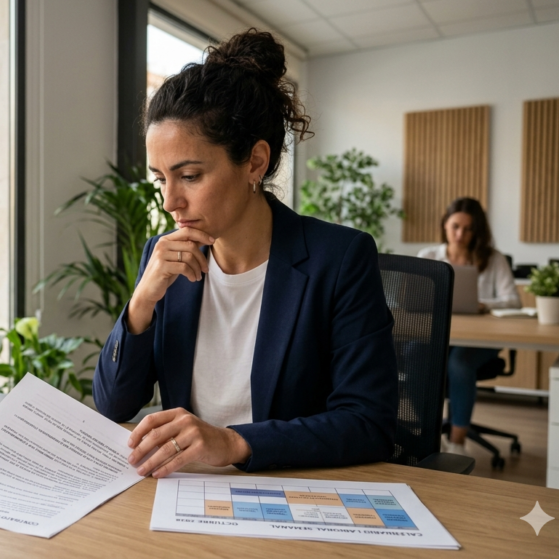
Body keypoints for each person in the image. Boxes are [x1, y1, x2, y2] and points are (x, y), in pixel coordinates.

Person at [93, 29, 398, 477]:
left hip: (290, 491)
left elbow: (369, 423)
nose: (169, 202)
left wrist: (234, 442)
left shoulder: (339, 259)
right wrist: (141, 304)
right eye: (161, 179)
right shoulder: (163, 259)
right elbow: (113, 404)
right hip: (183, 494)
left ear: (255, 162)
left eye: (190, 176)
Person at [418, 197, 520, 456]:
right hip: (438, 337)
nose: (460, 234)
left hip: (479, 340)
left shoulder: (493, 259)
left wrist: (484, 304)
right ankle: (424, 433)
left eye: (468, 228)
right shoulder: (428, 256)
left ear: (478, 231)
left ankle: (457, 444)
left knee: (459, 363)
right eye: (455, 226)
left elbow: (513, 300)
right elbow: (414, 296)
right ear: (445, 225)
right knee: (412, 355)